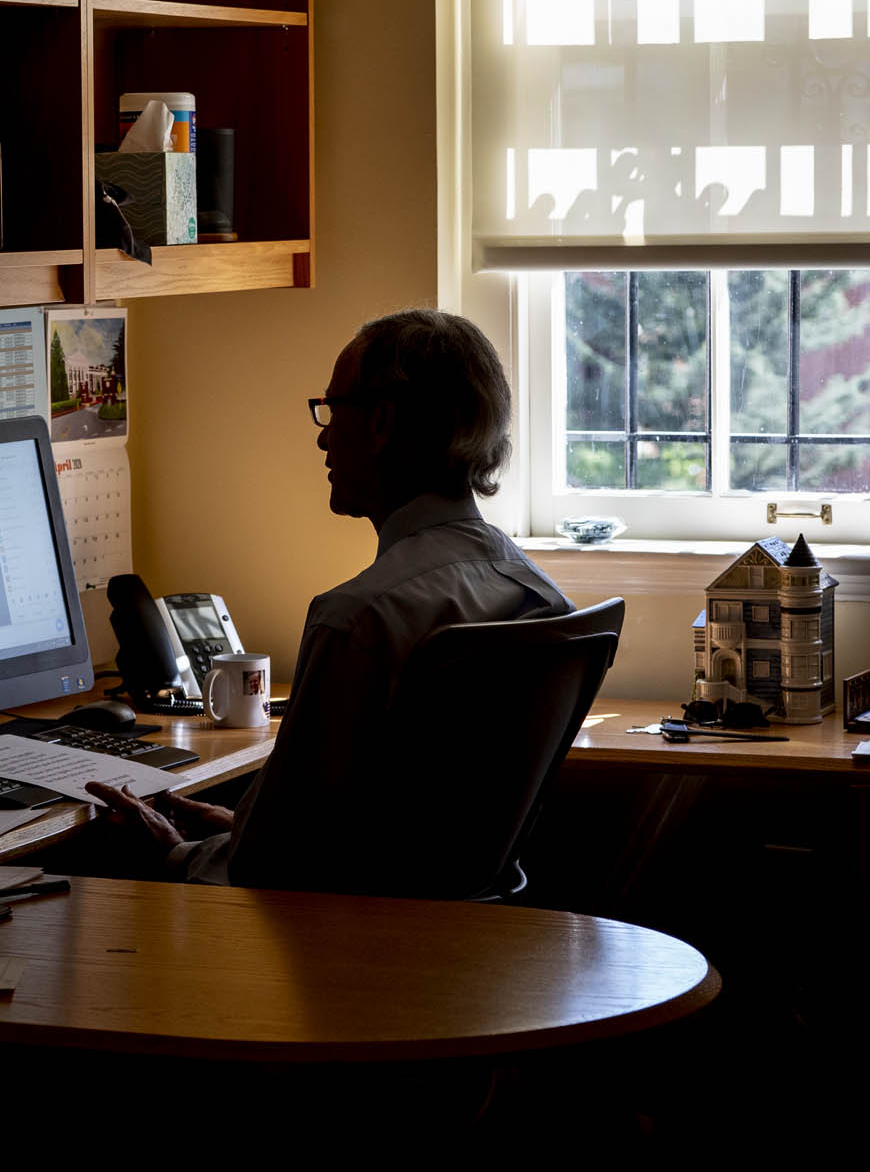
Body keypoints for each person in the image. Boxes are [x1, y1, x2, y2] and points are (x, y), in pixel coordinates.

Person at [85, 309, 569, 892]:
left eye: (332, 409)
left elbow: (271, 868)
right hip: (459, 942)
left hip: (334, 952)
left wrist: (176, 853)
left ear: (381, 423)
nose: (322, 435)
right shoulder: (538, 594)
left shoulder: (362, 617)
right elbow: (400, 829)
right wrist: (241, 829)